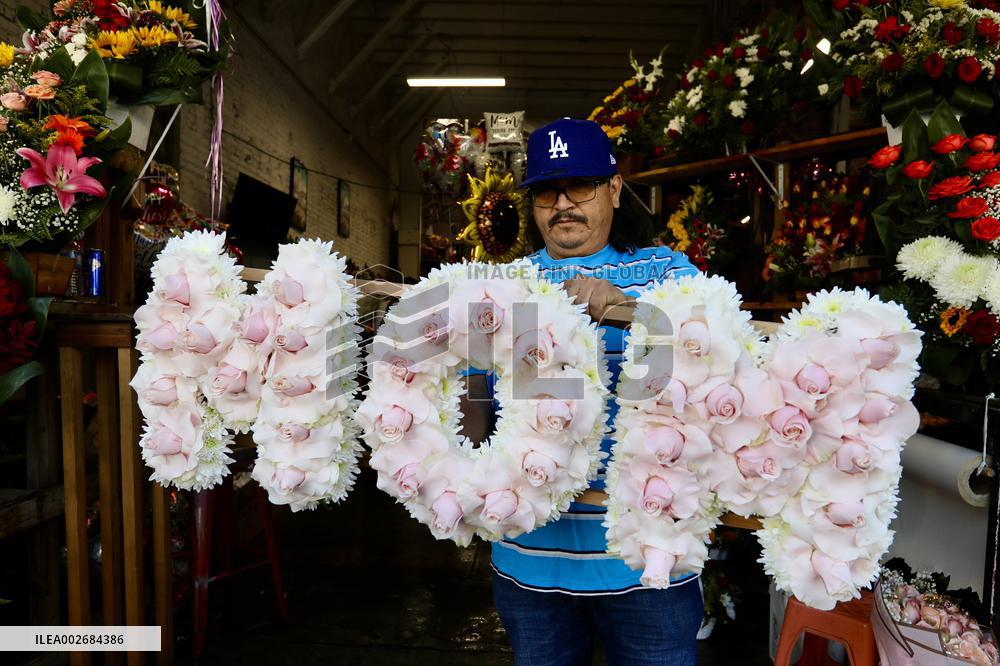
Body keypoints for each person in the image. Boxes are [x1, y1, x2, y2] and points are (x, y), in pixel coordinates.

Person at [463, 118, 703, 666]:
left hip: (647, 563)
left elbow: (712, 361)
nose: (563, 204)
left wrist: (630, 310)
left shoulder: (668, 272)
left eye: (582, 186)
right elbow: (475, 403)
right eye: (547, 191)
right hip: (530, 563)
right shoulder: (504, 286)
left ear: (615, 190)